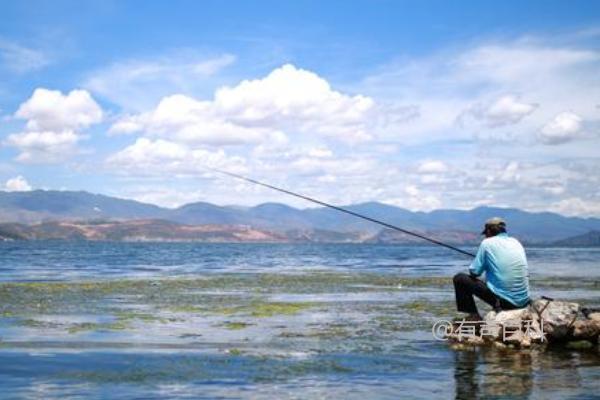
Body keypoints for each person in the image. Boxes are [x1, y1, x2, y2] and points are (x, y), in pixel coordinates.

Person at [453, 217, 530, 320]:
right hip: (524, 301)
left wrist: (483, 264)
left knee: (459, 279)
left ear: (489, 231)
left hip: (504, 303)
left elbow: (474, 272)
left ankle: (473, 316)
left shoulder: (487, 243)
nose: (485, 235)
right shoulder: (516, 242)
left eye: (485, 233)